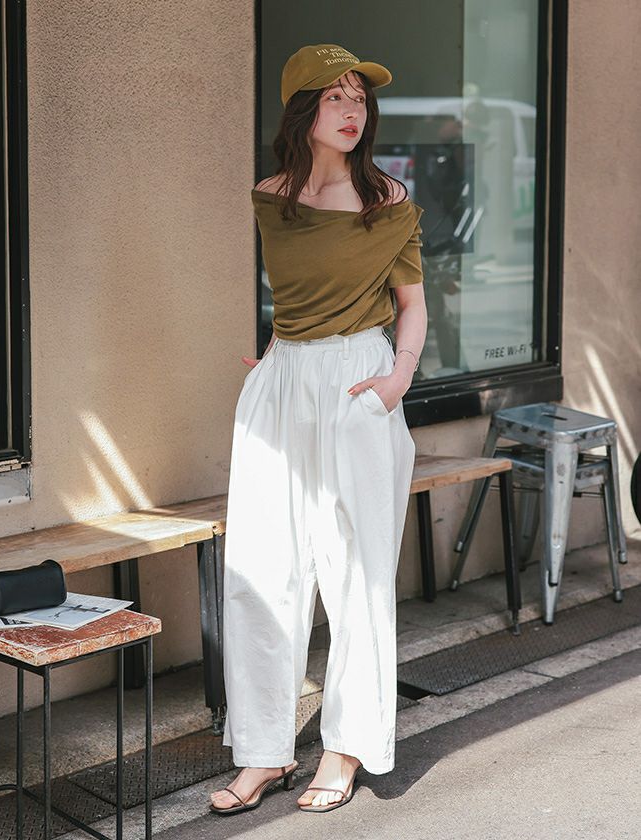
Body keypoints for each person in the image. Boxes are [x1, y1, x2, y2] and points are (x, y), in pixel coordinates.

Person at [210, 43, 427, 816]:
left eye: (359, 98)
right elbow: (293, 296)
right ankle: (264, 749)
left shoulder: (387, 199)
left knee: (356, 573)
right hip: (284, 384)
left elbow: (412, 305)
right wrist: (277, 354)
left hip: (360, 379)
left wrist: (397, 381)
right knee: (262, 570)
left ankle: (346, 746)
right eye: (336, 97)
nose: (351, 110)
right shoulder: (271, 197)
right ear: (303, 108)